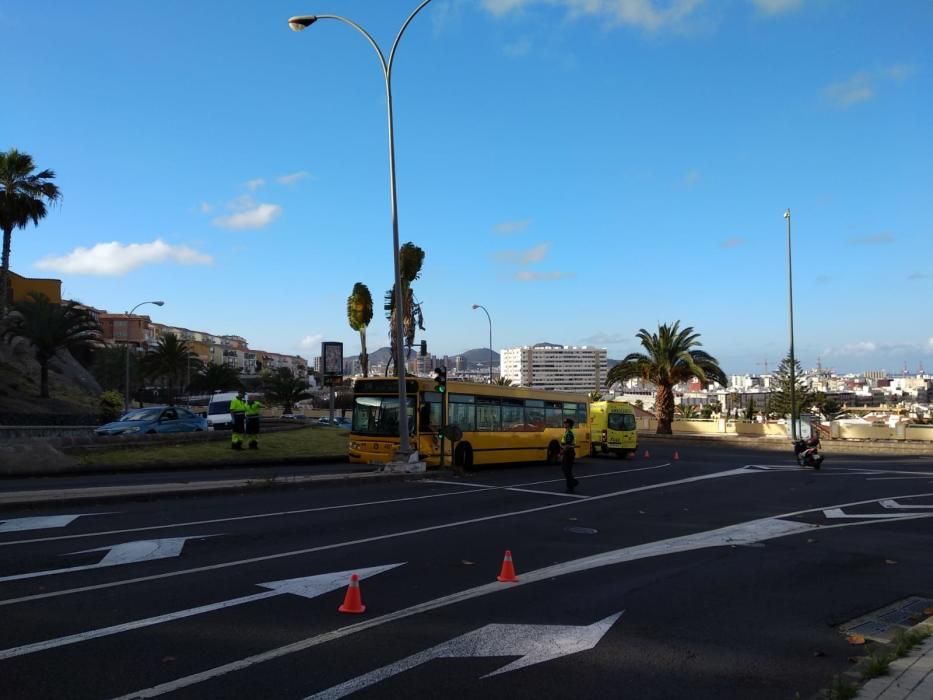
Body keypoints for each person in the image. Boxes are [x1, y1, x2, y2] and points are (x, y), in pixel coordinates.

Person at [560, 418, 579, 493]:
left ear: (569, 424)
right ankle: (572, 484)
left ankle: (572, 484)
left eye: (566, 423)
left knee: (566, 469)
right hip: (568, 452)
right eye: (564, 422)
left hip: (569, 453)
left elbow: (567, 445)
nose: (564, 423)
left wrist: (561, 453)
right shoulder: (567, 432)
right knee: (567, 470)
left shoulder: (569, 433)